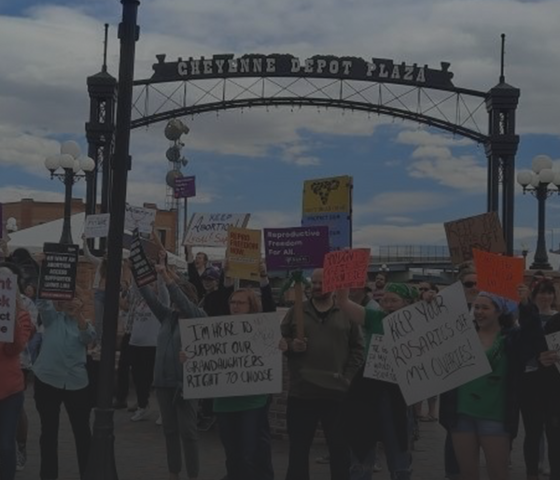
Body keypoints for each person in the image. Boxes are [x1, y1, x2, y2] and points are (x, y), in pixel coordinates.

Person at [439, 286, 543, 480]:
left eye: (485, 308)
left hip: (494, 417)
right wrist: (429, 302)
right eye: (476, 307)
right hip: (461, 414)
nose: (479, 312)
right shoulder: (461, 336)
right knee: (468, 474)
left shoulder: (511, 339)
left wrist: (526, 305)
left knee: (498, 474)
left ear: (499, 311)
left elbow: (533, 334)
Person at [281, 268, 364, 480]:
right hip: (302, 393)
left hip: (338, 395)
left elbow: (357, 348)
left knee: (340, 452)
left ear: (333, 285)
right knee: (298, 452)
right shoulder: (296, 311)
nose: (317, 287)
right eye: (314, 283)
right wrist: (291, 345)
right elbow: (280, 341)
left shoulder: (346, 312)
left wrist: (349, 376)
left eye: (322, 283)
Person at [336, 283, 417, 480]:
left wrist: (430, 298)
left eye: (394, 300)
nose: (388, 304)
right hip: (368, 389)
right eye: (385, 300)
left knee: (398, 444)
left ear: (406, 303)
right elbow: (343, 303)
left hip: (398, 393)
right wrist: (343, 280)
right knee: (361, 443)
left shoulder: (417, 321)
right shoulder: (374, 318)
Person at [210, 261, 275, 480]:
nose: (235, 306)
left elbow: (271, 309)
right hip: (225, 401)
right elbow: (204, 354)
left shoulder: (261, 327)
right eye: (233, 302)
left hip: (252, 401)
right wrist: (188, 358)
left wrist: (264, 279)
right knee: (232, 452)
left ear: (252, 307)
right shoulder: (220, 329)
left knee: (249, 451)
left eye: (241, 303)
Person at [138, 259, 203, 480]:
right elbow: (150, 298)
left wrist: (167, 278)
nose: (175, 302)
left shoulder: (197, 316)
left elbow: (181, 302)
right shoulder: (168, 317)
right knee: (170, 431)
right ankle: (173, 473)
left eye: (179, 297)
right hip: (163, 383)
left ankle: (193, 475)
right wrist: (137, 274)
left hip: (186, 384)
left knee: (189, 432)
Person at [33, 288, 96, 480]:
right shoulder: (52, 318)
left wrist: (78, 315)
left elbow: (89, 338)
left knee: (83, 432)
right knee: (49, 433)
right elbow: (43, 302)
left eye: (75, 299)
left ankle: (87, 474)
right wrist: (45, 274)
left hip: (76, 383)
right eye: (68, 298)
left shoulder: (84, 323)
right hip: (47, 380)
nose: (71, 302)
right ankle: (48, 476)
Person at [519, 278, 557, 480]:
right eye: (541, 293)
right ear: (533, 296)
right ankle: (532, 473)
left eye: (550, 292)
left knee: (555, 432)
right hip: (531, 384)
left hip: (554, 385)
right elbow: (521, 347)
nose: (546, 297)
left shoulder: (558, 318)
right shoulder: (525, 319)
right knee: (533, 432)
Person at [0, 264, 34, 480]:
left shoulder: (22, 315)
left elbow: (15, 347)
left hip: (9, 391)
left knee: (5, 445)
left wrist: (8, 313)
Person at [538, 312, 560, 480]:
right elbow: (542, 352)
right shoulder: (554, 322)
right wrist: (542, 359)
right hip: (555, 396)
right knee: (555, 443)